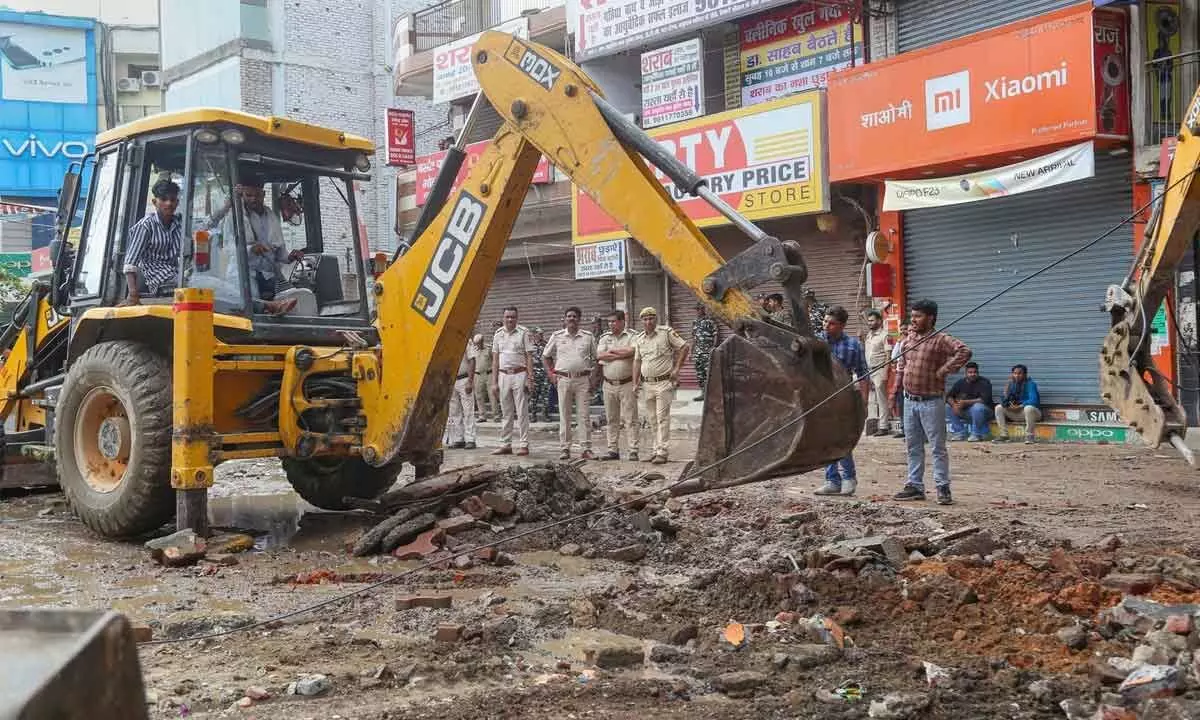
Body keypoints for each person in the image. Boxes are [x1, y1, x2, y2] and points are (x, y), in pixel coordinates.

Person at [893, 299, 971, 505]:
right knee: (913, 446)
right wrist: (896, 389)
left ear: (931, 318)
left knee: (937, 447)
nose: (914, 320)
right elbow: (902, 363)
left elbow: (964, 351)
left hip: (931, 401)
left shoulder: (941, 339)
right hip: (909, 400)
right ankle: (915, 486)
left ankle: (942, 487)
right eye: (913, 316)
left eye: (918, 316)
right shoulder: (910, 338)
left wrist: (944, 370)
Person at [814, 306, 870, 496]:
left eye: (831, 323)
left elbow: (863, 375)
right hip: (819, 398)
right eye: (825, 322)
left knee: (842, 439)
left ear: (842, 326)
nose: (826, 326)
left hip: (843, 398)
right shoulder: (815, 342)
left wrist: (864, 402)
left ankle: (849, 478)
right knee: (825, 440)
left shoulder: (853, 346)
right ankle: (831, 480)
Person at [632, 307, 689, 464]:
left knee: (662, 418)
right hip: (647, 384)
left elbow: (684, 346)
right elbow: (637, 361)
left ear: (656, 319)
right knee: (652, 419)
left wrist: (677, 368)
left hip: (663, 383)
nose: (648, 322)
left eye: (651, 318)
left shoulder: (666, 333)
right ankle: (655, 449)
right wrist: (635, 381)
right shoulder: (639, 338)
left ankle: (662, 451)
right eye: (645, 319)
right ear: (641, 321)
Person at [544, 307, 597, 460]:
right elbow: (546, 356)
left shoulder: (587, 337)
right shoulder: (557, 336)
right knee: (565, 415)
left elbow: (597, 358)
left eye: (574, 316)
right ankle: (565, 448)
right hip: (563, 379)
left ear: (579, 319)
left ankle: (586, 448)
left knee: (584, 415)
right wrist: (551, 374)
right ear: (565, 319)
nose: (571, 319)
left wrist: (593, 378)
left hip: (582, 380)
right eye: (569, 316)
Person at [122, 179, 183, 305]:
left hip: (177, 275)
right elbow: (130, 263)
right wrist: (133, 295)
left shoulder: (180, 223)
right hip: (160, 281)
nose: (169, 203)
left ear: (177, 202)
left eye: (172, 200)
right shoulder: (146, 226)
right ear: (155, 202)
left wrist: (228, 206)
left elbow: (206, 225)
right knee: (194, 285)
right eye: (164, 199)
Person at [491, 307, 535, 456]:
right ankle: (506, 444)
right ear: (503, 318)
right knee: (506, 412)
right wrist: (494, 382)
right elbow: (495, 359)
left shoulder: (524, 332)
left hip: (519, 374)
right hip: (503, 376)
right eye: (507, 317)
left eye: (513, 317)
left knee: (522, 411)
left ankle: (524, 444)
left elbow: (529, 356)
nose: (510, 320)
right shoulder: (498, 334)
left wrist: (530, 378)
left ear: (517, 318)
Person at [596, 309, 639, 461]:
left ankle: (633, 450)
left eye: (614, 321)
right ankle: (612, 450)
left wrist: (612, 351)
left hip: (626, 383)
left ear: (622, 321)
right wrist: (622, 353)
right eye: (609, 321)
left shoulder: (632, 336)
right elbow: (600, 355)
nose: (611, 324)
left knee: (630, 418)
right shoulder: (604, 338)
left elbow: (633, 351)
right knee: (611, 419)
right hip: (608, 384)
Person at [993, 364, 1042, 444]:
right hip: (1017, 413)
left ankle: (1029, 436)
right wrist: (1006, 393)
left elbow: (1034, 400)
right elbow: (1004, 401)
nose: (1017, 375)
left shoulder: (1031, 384)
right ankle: (1004, 435)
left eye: (1019, 373)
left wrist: (1020, 406)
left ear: (1025, 374)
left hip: (1033, 414)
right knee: (998, 407)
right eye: (1015, 373)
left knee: (1028, 408)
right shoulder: (1011, 384)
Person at [862, 309, 892, 436]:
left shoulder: (886, 335)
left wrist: (885, 372)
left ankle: (884, 426)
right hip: (869, 370)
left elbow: (888, 355)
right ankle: (874, 425)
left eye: (872, 320)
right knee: (872, 400)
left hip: (880, 369)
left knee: (881, 399)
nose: (870, 323)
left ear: (879, 321)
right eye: (868, 321)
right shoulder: (869, 335)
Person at [946, 362, 993, 442]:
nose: (972, 374)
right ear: (966, 373)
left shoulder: (985, 382)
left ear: (978, 373)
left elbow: (984, 400)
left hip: (985, 412)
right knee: (947, 407)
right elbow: (949, 396)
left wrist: (965, 402)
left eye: (975, 372)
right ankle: (960, 433)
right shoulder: (960, 383)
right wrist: (954, 405)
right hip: (967, 412)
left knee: (977, 407)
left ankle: (976, 434)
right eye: (970, 372)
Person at [445, 339, 478, 449]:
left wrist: (470, 381)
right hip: (451, 380)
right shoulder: (446, 341)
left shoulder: (465, 340)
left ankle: (470, 439)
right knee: (454, 411)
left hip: (464, 379)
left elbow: (472, 360)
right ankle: (459, 438)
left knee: (468, 410)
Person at [691, 304, 718, 399]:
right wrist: (691, 352)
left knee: (709, 373)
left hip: (707, 352)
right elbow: (694, 338)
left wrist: (713, 348)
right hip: (698, 352)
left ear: (703, 309)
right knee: (700, 374)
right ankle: (703, 393)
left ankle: (712, 394)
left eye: (700, 309)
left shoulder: (710, 321)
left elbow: (715, 334)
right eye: (696, 309)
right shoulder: (695, 322)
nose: (698, 311)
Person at [888, 321, 909, 439]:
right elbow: (893, 357)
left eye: (905, 329)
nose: (903, 332)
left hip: (911, 377)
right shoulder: (900, 342)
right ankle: (903, 428)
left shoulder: (915, 341)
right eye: (901, 329)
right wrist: (899, 342)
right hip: (900, 377)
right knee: (900, 403)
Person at [530, 328, 552, 423]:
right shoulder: (530, 346)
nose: (541, 335)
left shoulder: (546, 345)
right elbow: (527, 360)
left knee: (545, 396)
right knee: (533, 397)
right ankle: (533, 416)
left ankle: (545, 415)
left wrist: (551, 372)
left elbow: (550, 359)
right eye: (539, 334)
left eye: (542, 334)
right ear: (535, 334)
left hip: (544, 373)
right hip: (534, 373)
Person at [473, 333, 495, 422]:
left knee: (492, 395)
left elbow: (494, 361)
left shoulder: (489, 349)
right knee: (479, 396)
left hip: (489, 374)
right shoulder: (473, 350)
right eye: (476, 343)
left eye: (479, 342)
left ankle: (496, 415)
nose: (478, 344)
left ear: (482, 341)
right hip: (477, 375)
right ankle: (482, 416)